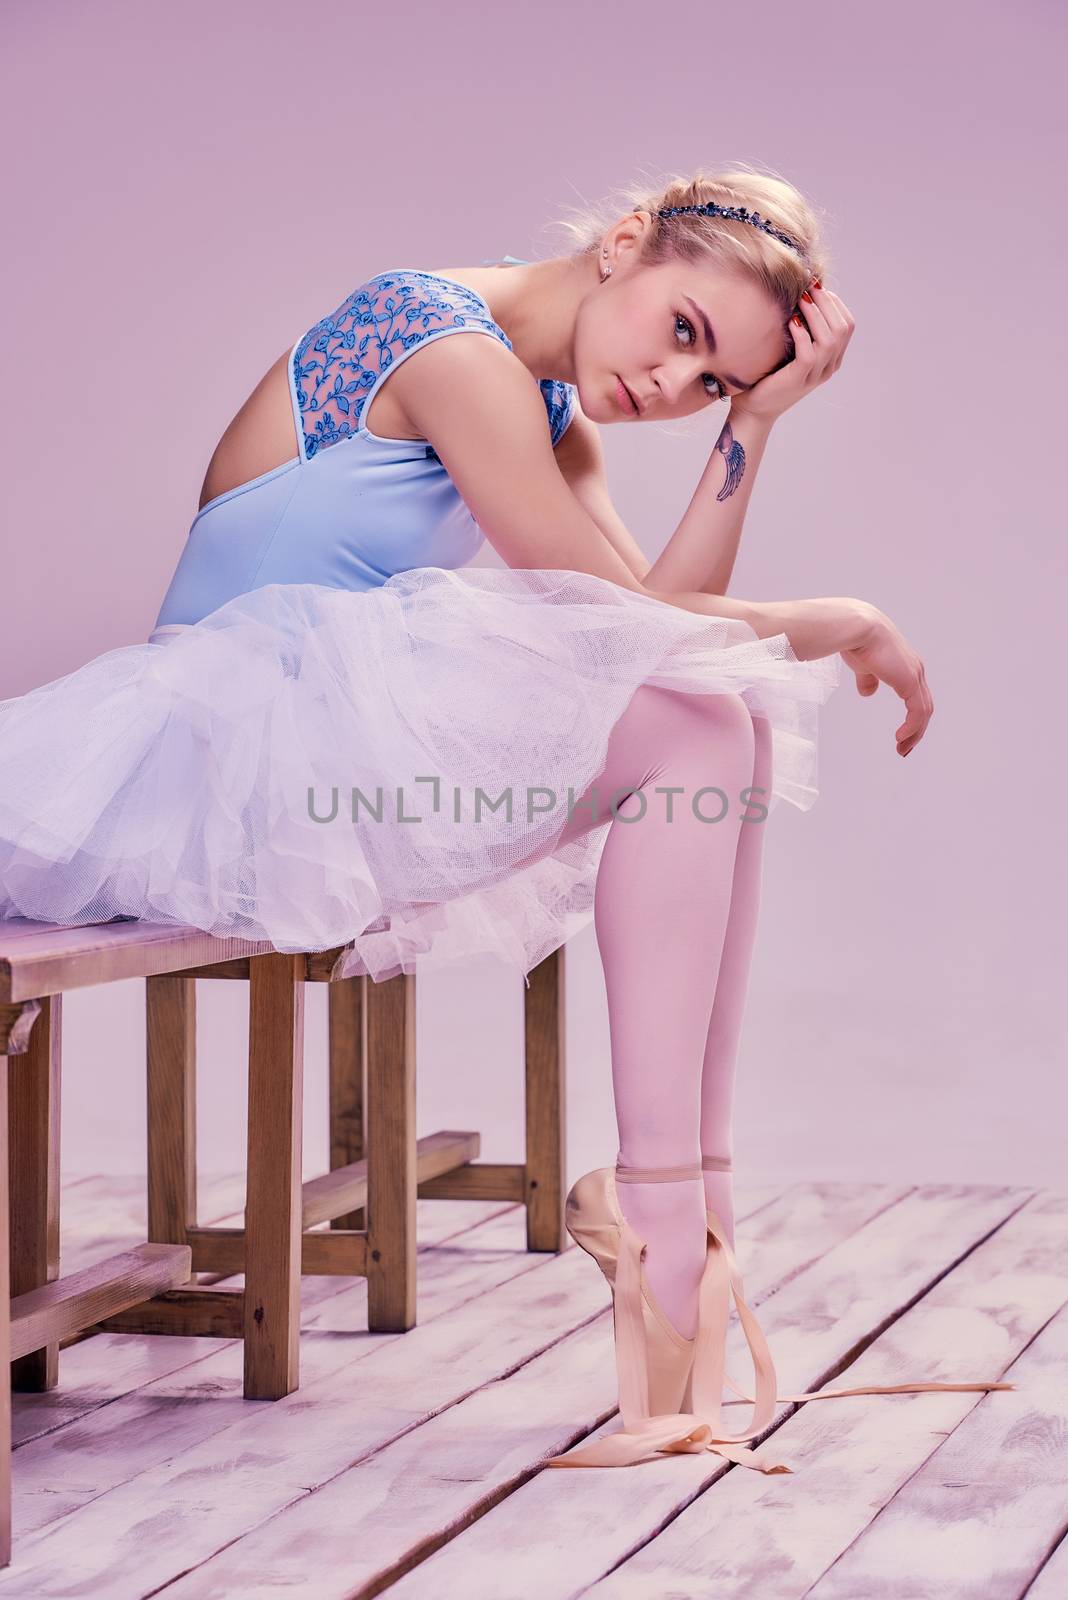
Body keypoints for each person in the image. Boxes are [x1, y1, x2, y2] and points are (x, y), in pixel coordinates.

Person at [1, 167, 1005, 1472]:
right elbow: (627, 621)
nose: (672, 384)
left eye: (708, 381)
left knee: (723, 718)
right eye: (685, 332)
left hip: (323, 743)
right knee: (706, 722)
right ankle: (663, 1247)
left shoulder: (546, 407)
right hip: (227, 752)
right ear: (628, 243)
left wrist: (755, 427)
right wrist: (843, 619)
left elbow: (649, 626)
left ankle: (681, 1234)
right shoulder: (438, 342)